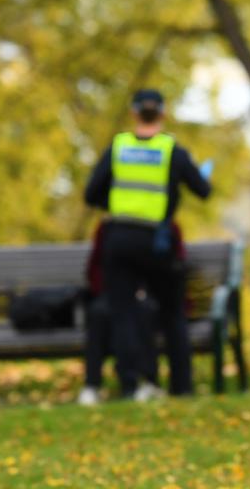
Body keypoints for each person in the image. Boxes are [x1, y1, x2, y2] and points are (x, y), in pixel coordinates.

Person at [83, 89, 212, 401]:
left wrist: (116, 201)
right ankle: (181, 386)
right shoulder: (172, 151)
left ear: (134, 113)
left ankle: (131, 384)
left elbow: (91, 194)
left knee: (123, 312)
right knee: (171, 312)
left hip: (119, 238)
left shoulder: (119, 147)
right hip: (157, 242)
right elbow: (203, 189)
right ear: (163, 114)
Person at [76, 219, 175, 406]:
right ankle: (92, 385)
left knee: (143, 312)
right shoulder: (107, 229)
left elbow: (167, 266)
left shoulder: (163, 227)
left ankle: (148, 381)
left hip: (143, 294)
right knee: (99, 313)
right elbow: (95, 267)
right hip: (112, 292)